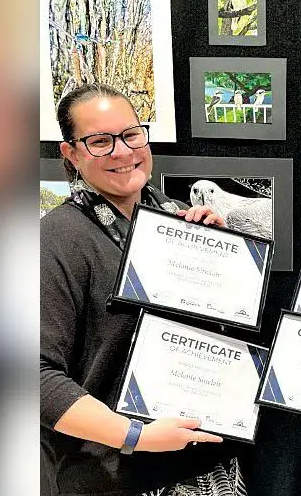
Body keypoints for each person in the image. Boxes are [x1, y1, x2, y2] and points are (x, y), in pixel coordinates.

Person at [40, 83, 244, 496]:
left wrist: (222, 258)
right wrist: (135, 435)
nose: (122, 151)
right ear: (72, 153)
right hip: (114, 478)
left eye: (131, 134)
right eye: (100, 141)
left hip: (209, 467)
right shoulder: (56, 238)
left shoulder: (178, 221)